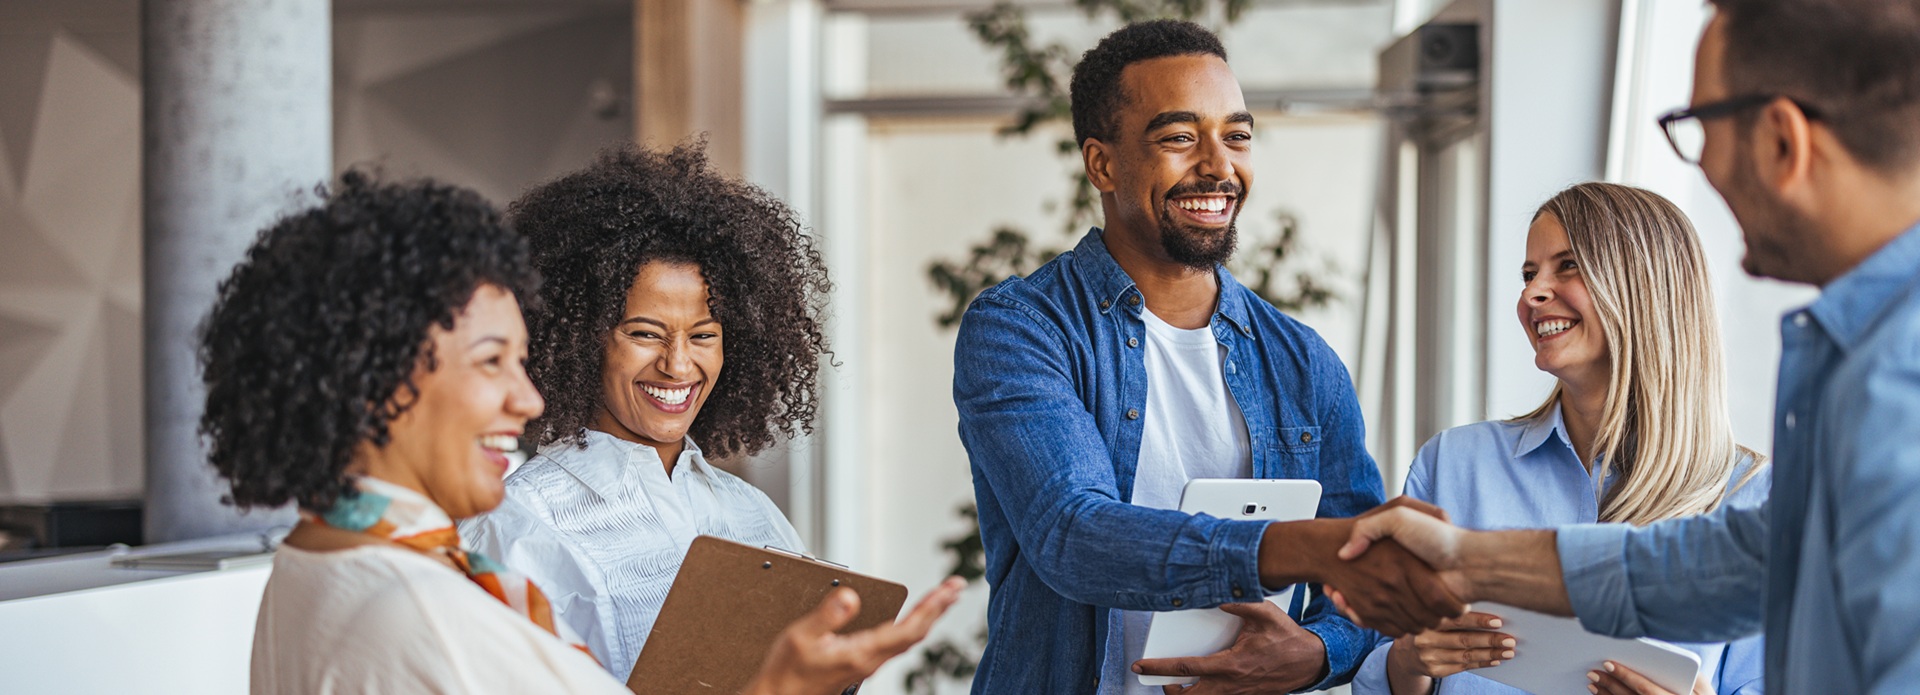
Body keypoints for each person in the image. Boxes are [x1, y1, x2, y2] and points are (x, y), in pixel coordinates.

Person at [1334, 1, 1920, 692]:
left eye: (1699, 126)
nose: (1701, 169)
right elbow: (1726, 562)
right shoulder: (1857, 355)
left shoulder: (1892, 377)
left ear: (1782, 139)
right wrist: (1468, 560)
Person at [201, 172, 962, 694]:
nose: (527, 398)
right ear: (386, 374)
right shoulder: (429, 601)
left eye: (705, 332)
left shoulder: (322, 555)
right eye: (492, 359)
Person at [951, 19, 1461, 695]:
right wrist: (1300, 547)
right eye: (1179, 137)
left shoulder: (1304, 363)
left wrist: (1314, 651)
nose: (1220, 166)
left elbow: (1364, 603)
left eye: (1237, 135)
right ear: (1102, 163)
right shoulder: (1022, 328)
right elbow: (1073, 535)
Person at [1349, 183, 1768, 695]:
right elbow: (1376, 671)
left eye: (1567, 266)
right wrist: (1411, 659)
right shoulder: (1455, 465)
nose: (1531, 294)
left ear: (1644, 287)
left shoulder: (1753, 498)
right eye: (1529, 274)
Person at [458, 142, 835, 681]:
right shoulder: (516, 525)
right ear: (581, 337)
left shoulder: (754, 517)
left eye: (703, 336)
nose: (678, 365)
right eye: (644, 334)